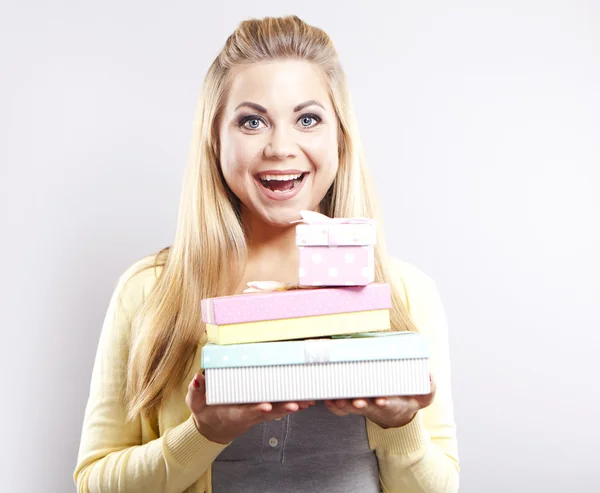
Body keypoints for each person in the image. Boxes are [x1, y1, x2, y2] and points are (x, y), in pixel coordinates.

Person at [73, 14, 459, 493]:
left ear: (340, 136)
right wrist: (203, 434)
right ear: (215, 138)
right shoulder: (150, 290)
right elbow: (94, 482)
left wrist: (402, 428)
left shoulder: (406, 294)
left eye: (308, 119)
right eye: (252, 121)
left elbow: (440, 487)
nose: (280, 147)